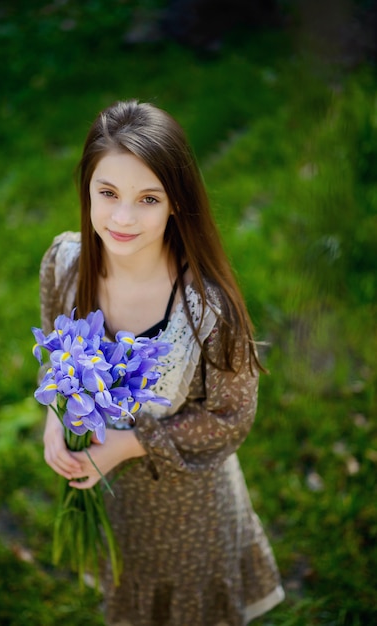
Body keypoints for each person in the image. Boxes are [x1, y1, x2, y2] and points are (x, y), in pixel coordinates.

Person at [40, 99, 284, 626]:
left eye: (148, 199)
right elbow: (56, 356)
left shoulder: (208, 312)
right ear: (87, 190)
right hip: (111, 495)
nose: (123, 218)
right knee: (129, 594)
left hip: (186, 508)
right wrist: (55, 416)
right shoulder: (65, 263)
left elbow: (230, 417)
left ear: (177, 202)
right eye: (108, 193)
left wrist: (129, 443)